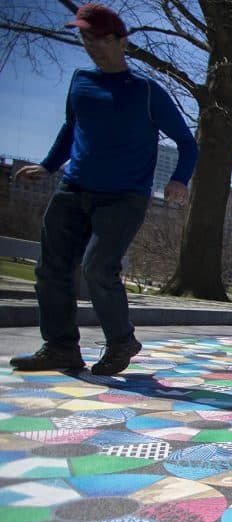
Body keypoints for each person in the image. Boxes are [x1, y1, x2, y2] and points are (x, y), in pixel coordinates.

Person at [10, 3, 197, 376]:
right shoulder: (81, 81)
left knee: (98, 265)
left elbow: (186, 142)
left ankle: (121, 340)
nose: (93, 46)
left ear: (121, 41)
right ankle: (61, 347)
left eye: (101, 39)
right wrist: (48, 166)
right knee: (51, 268)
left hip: (125, 196)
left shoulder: (147, 93)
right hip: (73, 186)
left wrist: (179, 178)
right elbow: (70, 130)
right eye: (85, 38)